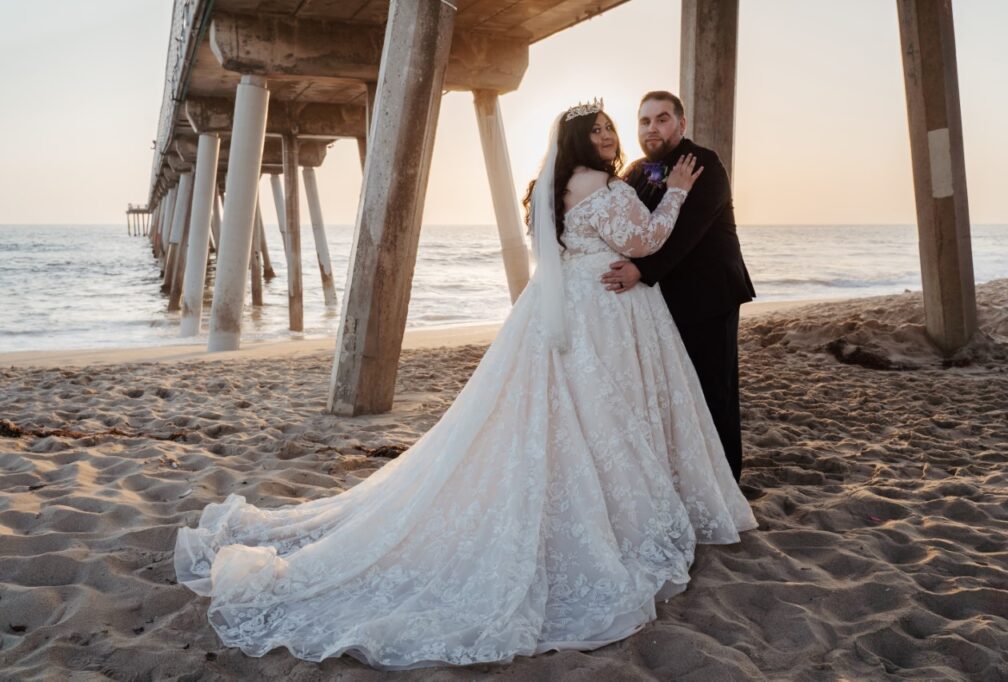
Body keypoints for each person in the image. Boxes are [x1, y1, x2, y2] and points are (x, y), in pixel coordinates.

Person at [174, 101, 756, 670]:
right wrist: (674, 191)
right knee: (600, 415)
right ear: (580, 141)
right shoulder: (601, 184)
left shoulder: (563, 185)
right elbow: (645, 243)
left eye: (612, 128)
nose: (611, 136)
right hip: (599, 312)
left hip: (580, 310)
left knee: (582, 416)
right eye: (601, 129)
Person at [601, 91, 755, 483]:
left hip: (710, 296)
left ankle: (726, 483)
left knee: (712, 391)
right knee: (673, 393)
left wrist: (641, 270)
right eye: (645, 121)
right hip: (662, 299)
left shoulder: (704, 163)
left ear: (681, 124)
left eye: (662, 119)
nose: (653, 128)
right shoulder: (636, 171)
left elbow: (688, 230)